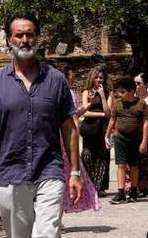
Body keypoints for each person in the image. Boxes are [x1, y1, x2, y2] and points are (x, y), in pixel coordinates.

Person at [0, 12, 81, 237]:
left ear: (37, 38)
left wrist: (75, 172)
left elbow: (69, 128)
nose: (24, 40)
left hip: (49, 170)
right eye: (19, 35)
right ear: (10, 39)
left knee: (47, 233)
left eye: (29, 35)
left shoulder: (56, 80)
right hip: (11, 173)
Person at [61, 67, 100, 214]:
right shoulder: (62, 92)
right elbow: (72, 118)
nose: (73, 78)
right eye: (71, 75)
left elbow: (77, 113)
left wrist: (90, 103)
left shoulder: (72, 93)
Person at [104, 77, 148, 204]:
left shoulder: (141, 104)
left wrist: (144, 141)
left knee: (134, 165)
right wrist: (107, 135)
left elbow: (146, 122)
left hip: (136, 139)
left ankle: (134, 190)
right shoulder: (118, 104)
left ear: (131, 92)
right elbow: (112, 120)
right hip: (120, 138)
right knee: (121, 164)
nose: (120, 94)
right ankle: (121, 192)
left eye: (123, 92)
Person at [79, 67, 112, 195]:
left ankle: (101, 187)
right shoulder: (86, 92)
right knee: (87, 155)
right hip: (89, 128)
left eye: (101, 78)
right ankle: (89, 185)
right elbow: (85, 113)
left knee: (102, 157)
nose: (99, 80)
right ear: (92, 78)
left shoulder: (109, 93)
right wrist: (101, 114)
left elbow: (109, 112)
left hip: (102, 129)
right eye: (96, 77)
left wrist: (103, 96)